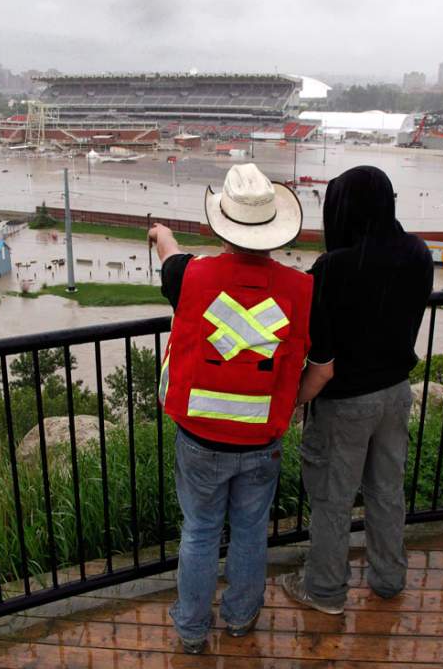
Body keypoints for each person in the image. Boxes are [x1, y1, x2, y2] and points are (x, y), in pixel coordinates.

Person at [150, 163, 313, 653]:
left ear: (223, 222)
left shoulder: (190, 277)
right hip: (263, 437)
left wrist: (162, 235)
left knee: (199, 532)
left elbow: (170, 256)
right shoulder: (302, 290)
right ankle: (241, 619)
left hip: (199, 435)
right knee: (248, 533)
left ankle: (192, 631)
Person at [279, 165, 433, 614]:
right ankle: (389, 579)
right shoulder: (417, 253)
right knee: (387, 491)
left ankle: (325, 591)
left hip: (344, 403)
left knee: (332, 498)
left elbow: (320, 358)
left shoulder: (333, 268)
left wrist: (293, 400)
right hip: (396, 394)